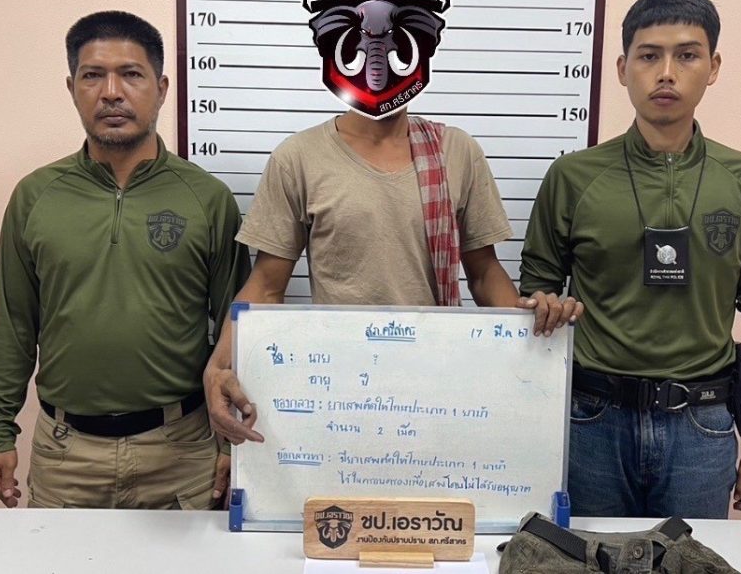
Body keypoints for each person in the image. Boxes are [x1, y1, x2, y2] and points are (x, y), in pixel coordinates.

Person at [520, 0, 741, 518]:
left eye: (687, 55)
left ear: (713, 67)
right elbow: (538, 290)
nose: (666, 73)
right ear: (623, 69)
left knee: (690, 555)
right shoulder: (573, 177)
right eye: (649, 56)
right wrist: (546, 304)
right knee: (591, 554)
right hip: (591, 422)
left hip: (702, 426)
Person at [0, 11, 249, 509]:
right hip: (66, 458)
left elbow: (240, 329)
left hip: (182, 455)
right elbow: (12, 324)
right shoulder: (36, 197)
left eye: (131, 74)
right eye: (93, 75)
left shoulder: (207, 199)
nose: (111, 92)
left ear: (161, 89)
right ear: (71, 88)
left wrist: (233, 444)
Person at [203, 107, 584, 451]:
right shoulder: (298, 157)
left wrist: (533, 321)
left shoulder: (455, 151)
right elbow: (267, 285)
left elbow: (484, 272)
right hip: (340, 389)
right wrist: (218, 366)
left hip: (438, 385)